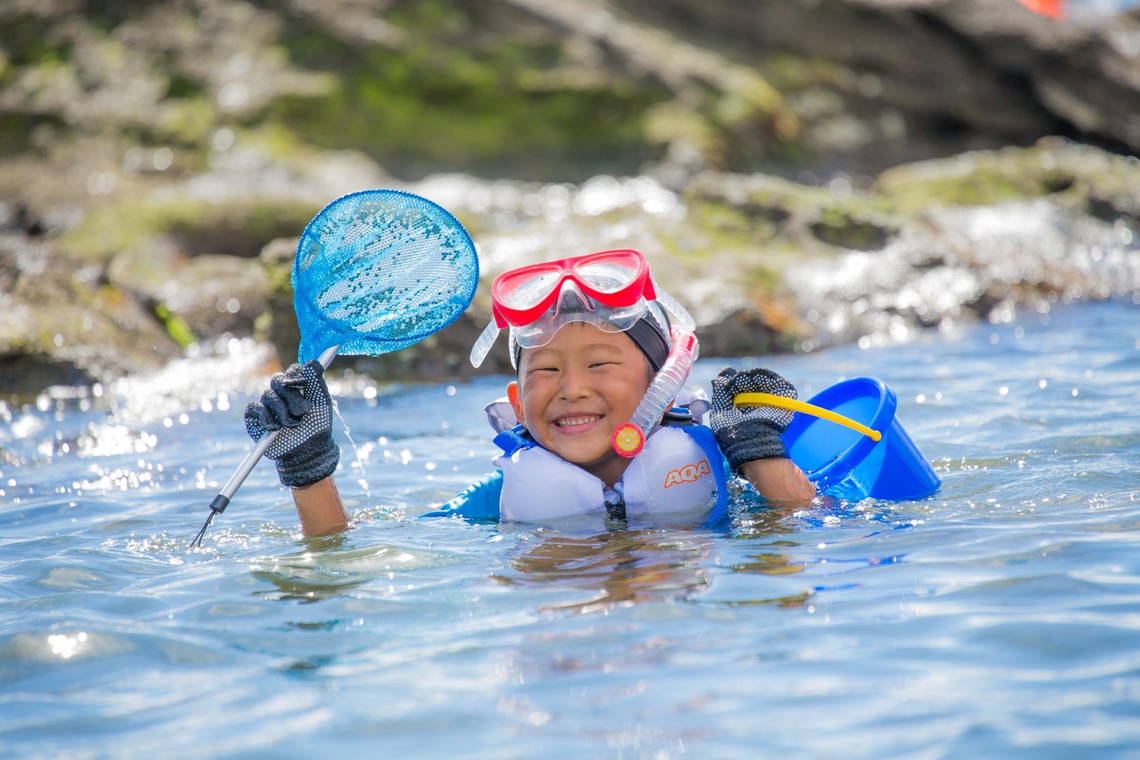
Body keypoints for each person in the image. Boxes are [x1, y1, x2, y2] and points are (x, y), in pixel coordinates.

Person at [244, 248, 815, 537]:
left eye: (600, 363)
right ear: (517, 404)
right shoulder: (504, 498)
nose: (571, 389)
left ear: (665, 386)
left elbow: (806, 525)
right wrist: (309, 470)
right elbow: (348, 554)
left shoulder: (718, 458)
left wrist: (758, 447)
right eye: (544, 372)